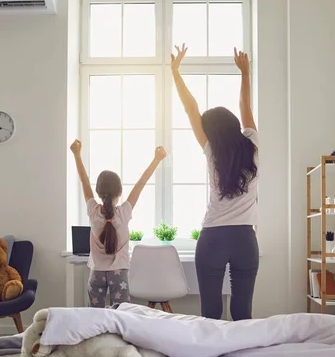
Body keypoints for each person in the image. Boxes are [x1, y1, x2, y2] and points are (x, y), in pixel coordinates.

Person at [171, 44, 259, 320]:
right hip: (245, 238)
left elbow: (190, 108)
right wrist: (245, 72)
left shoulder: (212, 151)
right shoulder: (253, 146)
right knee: (242, 311)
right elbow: (245, 105)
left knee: (210, 312)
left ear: (212, 133)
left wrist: (175, 72)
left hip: (213, 237)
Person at [70, 139, 167, 307]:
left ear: (98, 193)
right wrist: (156, 160)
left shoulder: (93, 212)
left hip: (96, 273)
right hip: (119, 273)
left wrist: (77, 155)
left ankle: (98, 334)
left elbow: (84, 182)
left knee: (95, 315)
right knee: (122, 314)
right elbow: (140, 184)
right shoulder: (124, 213)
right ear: (120, 192)